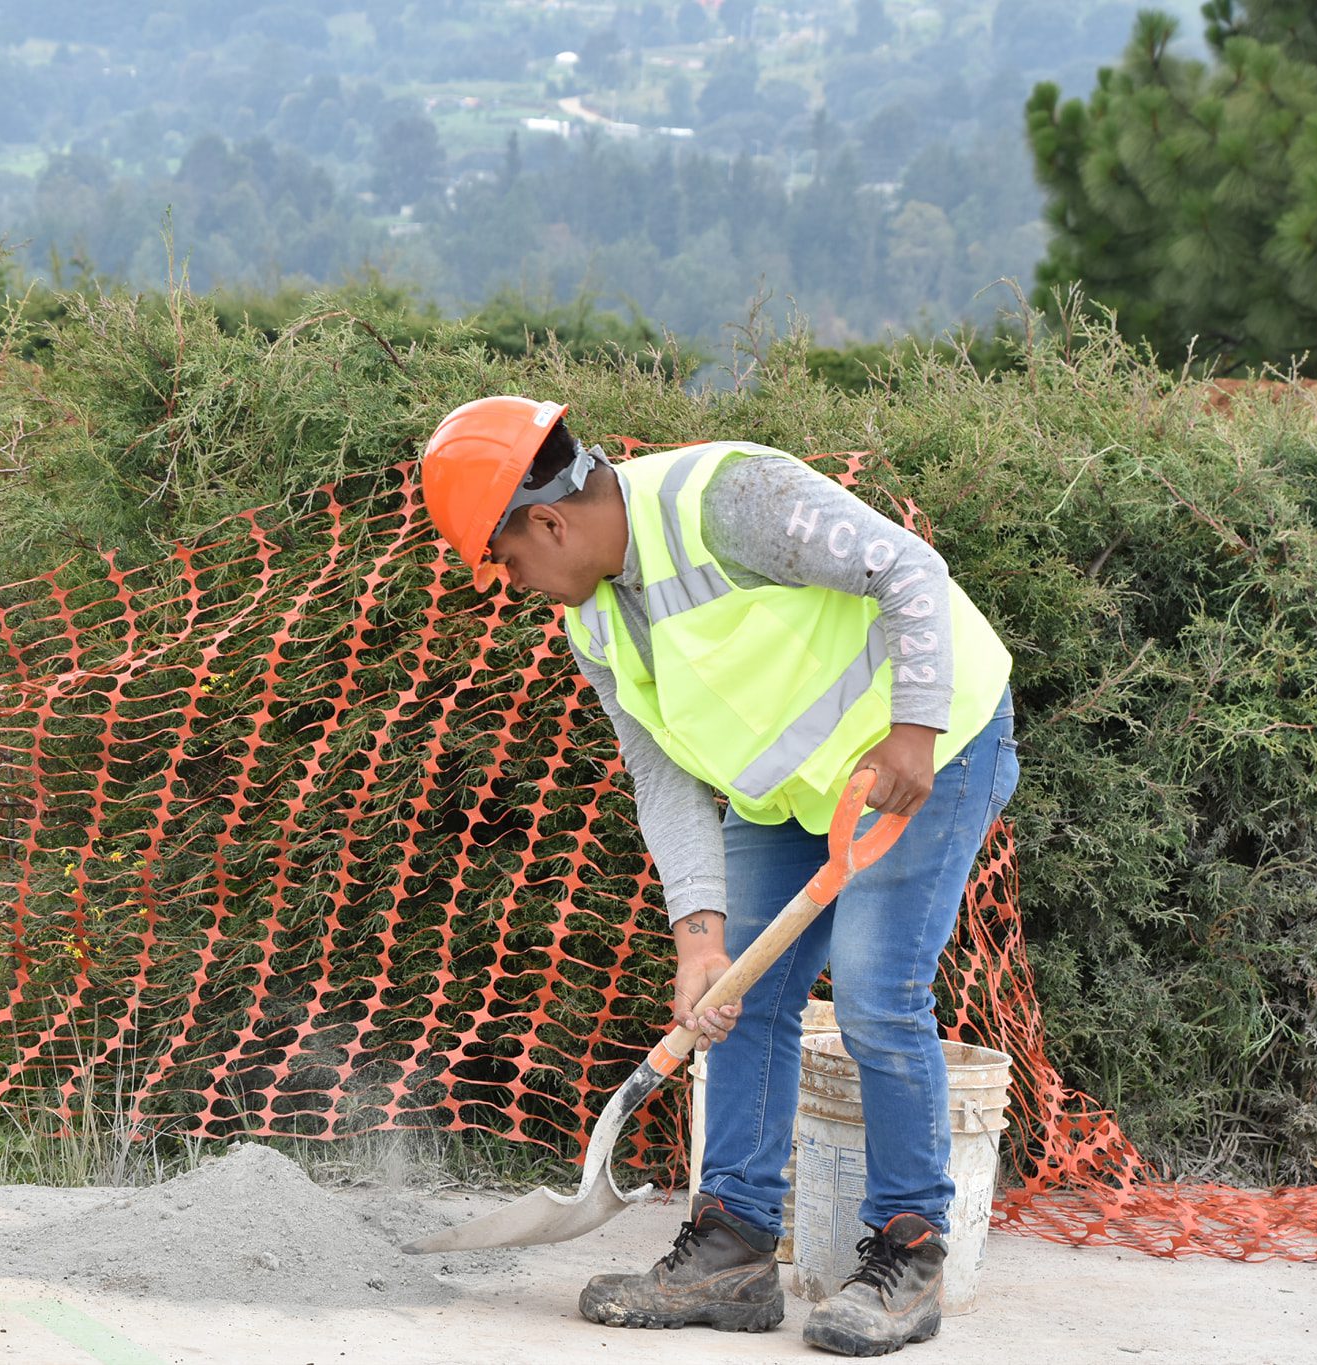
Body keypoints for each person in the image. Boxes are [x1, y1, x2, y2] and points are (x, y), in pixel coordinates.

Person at [419, 396, 1020, 1357]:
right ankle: (734, 1249)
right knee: (737, 994)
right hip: (794, 797)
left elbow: (911, 567)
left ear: (548, 520)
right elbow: (659, 780)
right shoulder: (599, 625)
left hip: (930, 754)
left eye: (504, 560)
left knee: (875, 992)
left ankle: (909, 1251)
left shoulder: (725, 498)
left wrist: (915, 724)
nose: (511, 582)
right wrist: (698, 935)